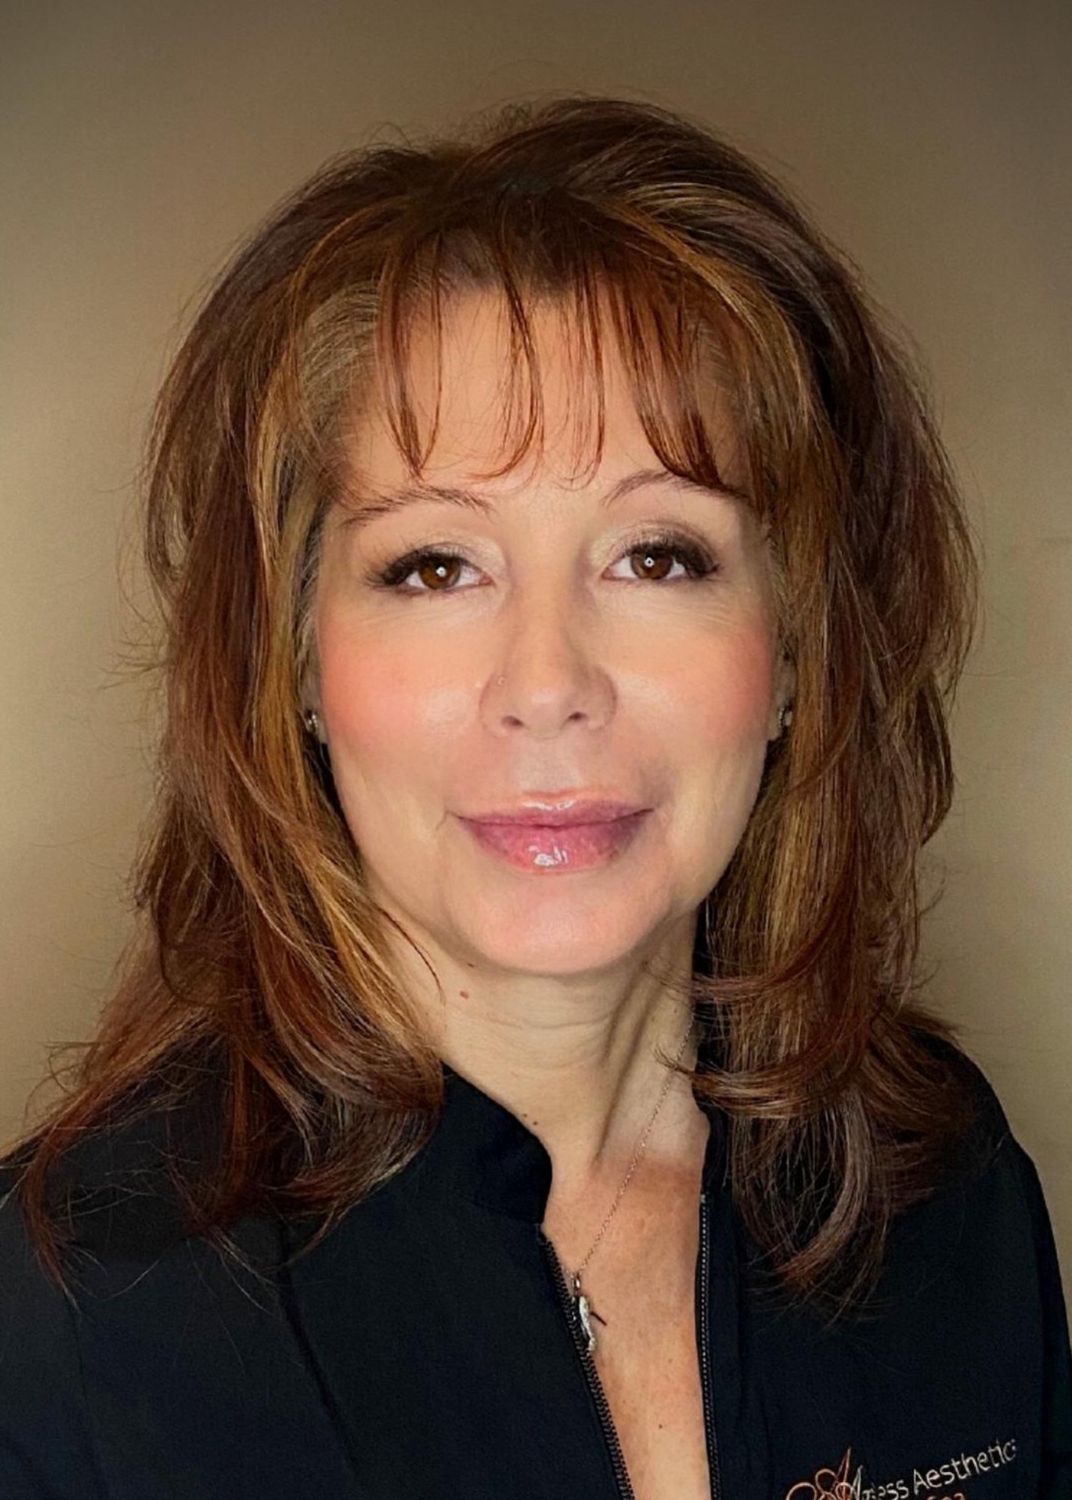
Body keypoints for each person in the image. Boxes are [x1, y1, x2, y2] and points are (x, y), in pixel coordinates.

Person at [0, 93, 1068, 1500]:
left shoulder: (945, 1187)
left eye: (658, 555)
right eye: (436, 565)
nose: (549, 681)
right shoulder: (70, 1318)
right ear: (298, 668)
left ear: (798, 650)